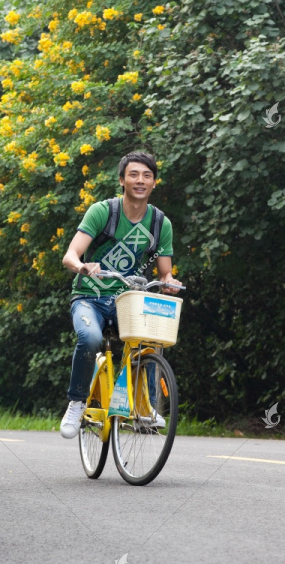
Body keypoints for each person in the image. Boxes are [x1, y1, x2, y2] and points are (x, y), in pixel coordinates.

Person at [59, 151, 181, 439]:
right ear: (122, 180)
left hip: (128, 301)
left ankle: (143, 405)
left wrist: (169, 281)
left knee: (150, 339)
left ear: (154, 183)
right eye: (134, 174)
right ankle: (76, 402)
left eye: (147, 176)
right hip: (89, 298)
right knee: (89, 338)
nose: (140, 180)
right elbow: (70, 256)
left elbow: (165, 273)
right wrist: (83, 267)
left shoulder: (160, 224)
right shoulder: (103, 212)